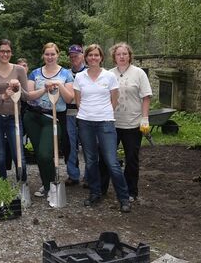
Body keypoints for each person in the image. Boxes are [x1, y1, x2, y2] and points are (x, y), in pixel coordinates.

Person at [74, 44, 131, 213]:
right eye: (90, 55)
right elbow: (78, 101)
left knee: (112, 162)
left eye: (96, 55)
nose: (93, 58)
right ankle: (95, 192)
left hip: (105, 122)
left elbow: (115, 99)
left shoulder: (109, 76)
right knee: (91, 161)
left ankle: (124, 198)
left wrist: (104, 112)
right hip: (85, 122)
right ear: (86, 57)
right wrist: (88, 113)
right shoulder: (80, 77)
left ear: (101, 58)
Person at [0, 40, 42, 181]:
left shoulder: (19, 70)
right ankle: (2, 187)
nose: (5, 54)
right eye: (2, 51)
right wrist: (3, 96)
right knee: (0, 155)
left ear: (12, 53)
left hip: (13, 117)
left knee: (18, 154)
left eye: (8, 51)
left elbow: (26, 96)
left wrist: (44, 89)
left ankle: (23, 184)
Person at [23, 42, 74, 198]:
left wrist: (60, 85)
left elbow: (69, 98)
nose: (50, 57)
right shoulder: (35, 73)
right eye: (47, 54)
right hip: (32, 117)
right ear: (43, 55)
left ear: (58, 55)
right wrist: (44, 89)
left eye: (53, 54)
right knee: (39, 154)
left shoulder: (65, 74)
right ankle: (47, 186)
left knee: (45, 154)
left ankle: (52, 184)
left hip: (52, 118)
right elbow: (29, 96)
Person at [104, 42, 152, 202]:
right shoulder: (109, 74)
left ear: (130, 56)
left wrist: (144, 118)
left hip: (132, 123)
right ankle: (102, 189)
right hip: (112, 123)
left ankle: (131, 191)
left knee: (131, 158)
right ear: (114, 57)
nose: (122, 57)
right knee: (106, 157)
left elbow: (146, 97)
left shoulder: (138, 73)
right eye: (119, 54)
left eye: (125, 54)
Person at [64, 44, 87, 186]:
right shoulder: (65, 73)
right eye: (71, 56)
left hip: (85, 114)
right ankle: (73, 174)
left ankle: (89, 176)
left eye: (77, 55)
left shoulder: (89, 72)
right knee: (70, 145)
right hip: (69, 113)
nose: (74, 58)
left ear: (83, 55)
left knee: (88, 145)